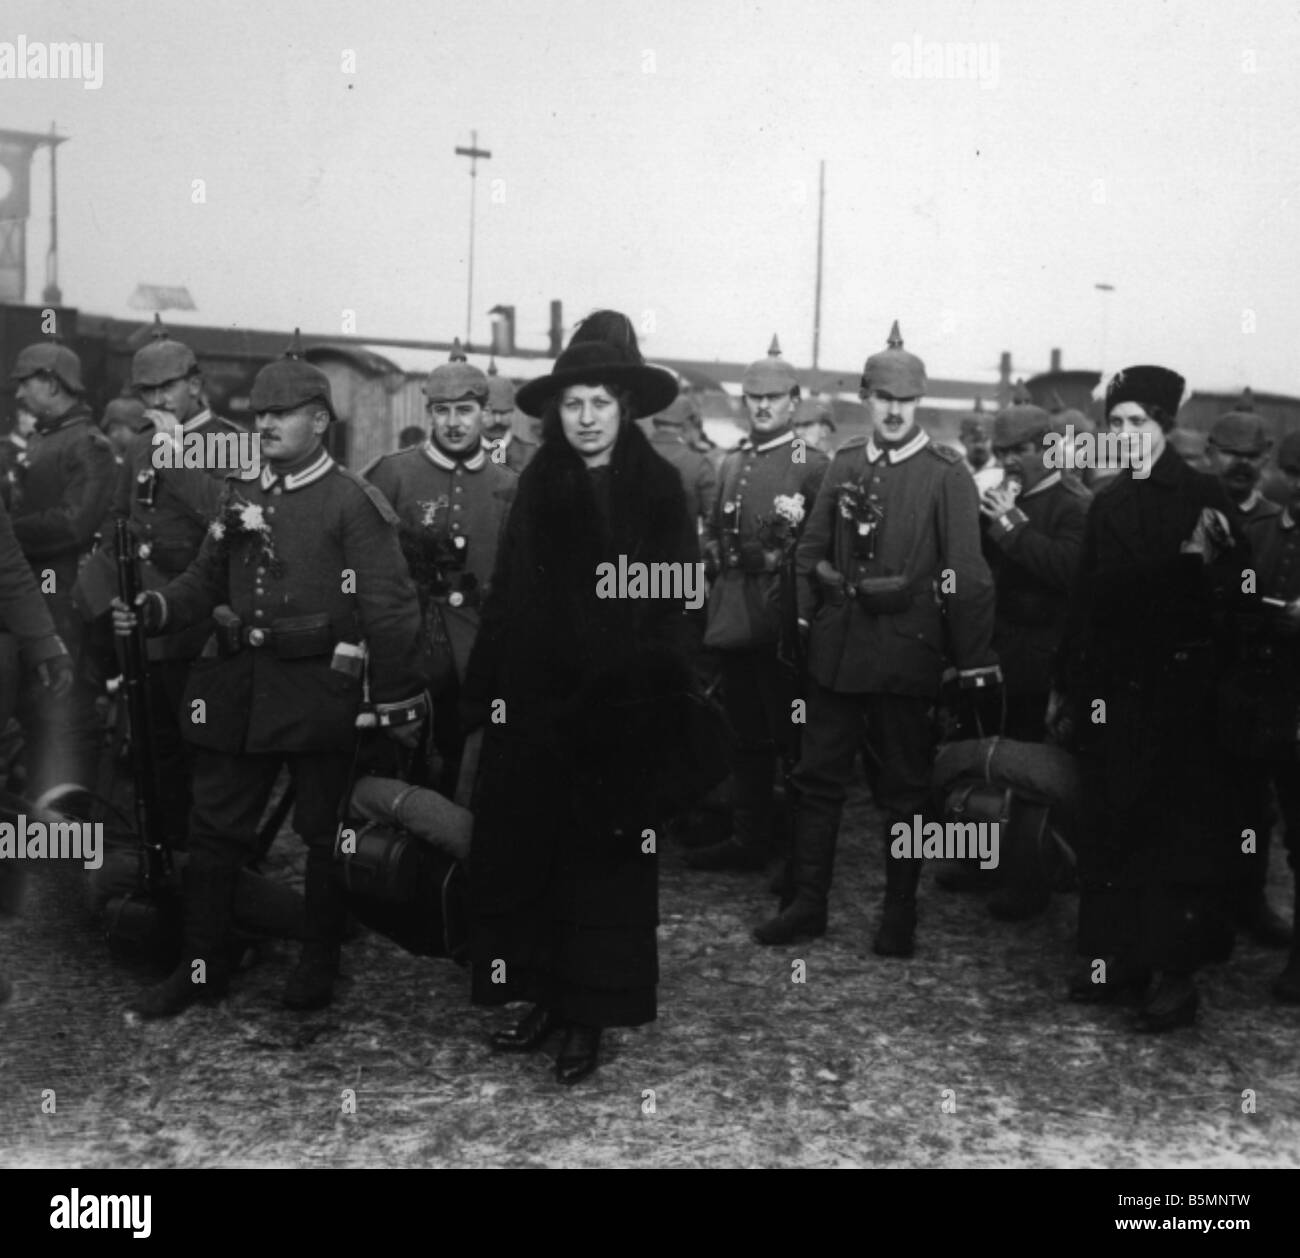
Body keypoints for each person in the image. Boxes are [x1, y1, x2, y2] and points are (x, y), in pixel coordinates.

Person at [116, 338, 429, 1018]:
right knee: (213, 830)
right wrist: (160, 608)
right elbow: (205, 578)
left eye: (282, 414)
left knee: (321, 833)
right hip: (237, 687)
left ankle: (319, 964)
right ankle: (203, 967)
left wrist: (398, 698)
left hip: (319, 691)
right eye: (259, 415)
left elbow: (391, 607)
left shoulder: (354, 503)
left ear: (320, 421)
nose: (266, 426)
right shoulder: (240, 490)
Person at [460, 333, 694, 1085]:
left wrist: (644, 689)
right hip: (532, 711)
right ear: (554, 411)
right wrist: (487, 694)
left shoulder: (658, 489)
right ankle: (543, 997)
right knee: (532, 858)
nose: (586, 418)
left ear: (624, 408)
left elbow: (676, 601)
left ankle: (589, 1016)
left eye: (600, 403)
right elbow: (506, 594)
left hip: (616, 716)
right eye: (572, 403)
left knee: (604, 871)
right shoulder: (538, 481)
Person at [754, 322, 999, 953]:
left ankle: (899, 914)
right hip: (836, 655)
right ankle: (807, 904)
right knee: (815, 778)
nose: (893, 411)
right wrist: (805, 620)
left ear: (919, 405)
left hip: (905, 655)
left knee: (904, 791)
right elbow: (809, 551)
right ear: (866, 398)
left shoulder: (947, 473)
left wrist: (969, 661)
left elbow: (966, 576)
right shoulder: (843, 462)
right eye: (883, 399)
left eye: (906, 401)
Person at [1054, 364, 1249, 1031]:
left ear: (1165, 424)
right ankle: (1111, 960)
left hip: (1182, 696)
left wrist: (1203, 573)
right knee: (1110, 824)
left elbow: (1236, 598)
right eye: (1117, 422)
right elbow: (1087, 601)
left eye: (1139, 422)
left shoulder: (1203, 493)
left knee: (1174, 835)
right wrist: (1069, 686)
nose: (1127, 433)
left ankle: (1173, 977)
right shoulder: (1109, 502)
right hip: (1113, 689)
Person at [80, 319, 245, 848]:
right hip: (145, 622)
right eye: (147, 390)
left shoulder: (229, 443)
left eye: (166, 387)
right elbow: (116, 519)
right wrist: (96, 596)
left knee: (202, 752)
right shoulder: (140, 445)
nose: (157, 399)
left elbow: (225, 520)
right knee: (154, 751)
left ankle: (210, 871)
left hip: (197, 627)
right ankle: (165, 858)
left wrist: (178, 452)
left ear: (195, 384)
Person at [688, 336, 828, 873]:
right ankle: (749, 838)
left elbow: (819, 549)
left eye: (773, 397)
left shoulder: (810, 463)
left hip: (779, 618)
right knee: (744, 734)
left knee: (791, 738)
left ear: (793, 400)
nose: (763, 406)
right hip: (732, 614)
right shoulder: (731, 461)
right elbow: (715, 538)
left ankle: (797, 853)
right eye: (753, 398)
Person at [365, 341, 516, 793]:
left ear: (484, 413)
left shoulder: (509, 487)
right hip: (403, 653)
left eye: (465, 410)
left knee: (461, 777)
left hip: (474, 659)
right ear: (429, 413)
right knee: (391, 774)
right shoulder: (391, 474)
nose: (453, 423)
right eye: (442, 410)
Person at [975, 402, 1090, 920]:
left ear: (1048, 447)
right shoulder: (1001, 499)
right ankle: (976, 858)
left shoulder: (1075, 504)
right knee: (982, 756)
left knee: (1029, 775)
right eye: (1001, 452)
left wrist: (1011, 526)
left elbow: (1069, 572)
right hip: (998, 654)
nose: (1009, 462)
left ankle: (1029, 879)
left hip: (1044, 663)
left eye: (1018, 450)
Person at [9, 338, 117, 799]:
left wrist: (7, 531)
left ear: (52, 384)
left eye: (25, 383)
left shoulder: (88, 444)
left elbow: (76, 523)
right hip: (33, 595)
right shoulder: (46, 436)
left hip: (63, 600)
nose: (17, 395)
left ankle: (62, 821)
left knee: (62, 712)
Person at [1203, 401, 1292, 948]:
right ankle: (1197, 907)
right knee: (1197, 799)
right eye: (1229, 453)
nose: (1239, 465)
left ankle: (1248, 898)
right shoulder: (1186, 509)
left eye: (1251, 456)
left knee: (1252, 806)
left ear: (1265, 461)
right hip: (1194, 677)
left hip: (1252, 683)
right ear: (1210, 452)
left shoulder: (1274, 521)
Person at [1238, 431, 1300, 999]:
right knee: (1248, 812)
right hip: (1256, 698)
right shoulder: (1256, 533)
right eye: (1296, 475)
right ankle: (1247, 903)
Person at [646, 393, 717, 543]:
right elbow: (714, 523)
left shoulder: (629, 454)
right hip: (679, 560)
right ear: (688, 425)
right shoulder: (698, 464)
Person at [481, 360, 537, 472]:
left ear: (513, 412)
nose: (497, 420)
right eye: (491, 413)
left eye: (503, 413)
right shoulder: (462, 454)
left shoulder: (531, 455)